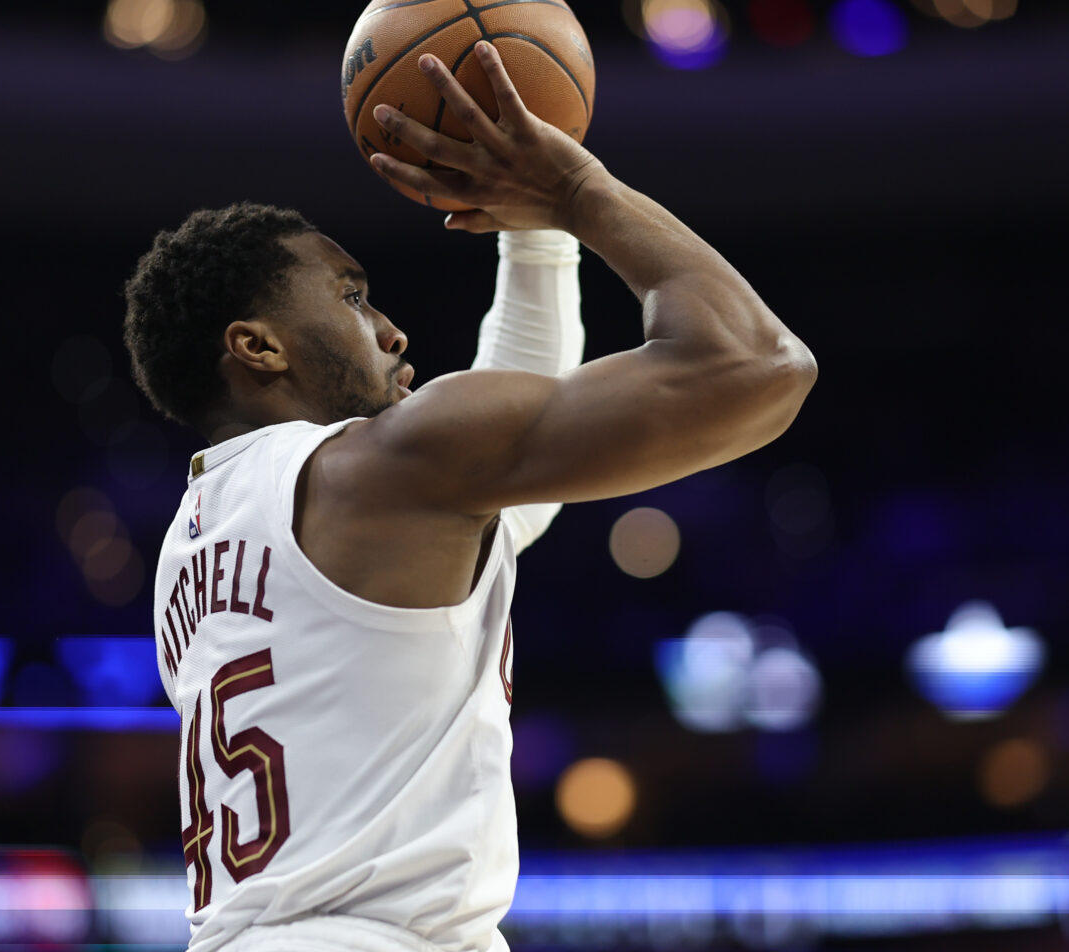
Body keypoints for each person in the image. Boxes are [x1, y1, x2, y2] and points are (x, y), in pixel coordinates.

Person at [122, 41, 816, 952]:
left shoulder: (199, 541)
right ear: (259, 347)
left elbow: (506, 455)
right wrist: (576, 192)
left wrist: (532, 232)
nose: (390, 327)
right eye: (351, 295)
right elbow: (757, 368)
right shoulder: (381, 470)